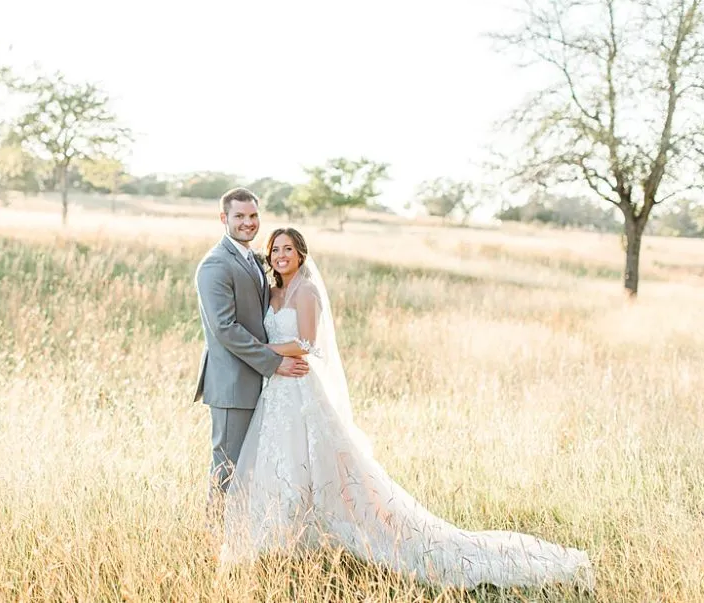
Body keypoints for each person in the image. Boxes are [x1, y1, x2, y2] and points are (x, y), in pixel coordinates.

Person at [220, 227, 596, 591]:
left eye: (288, 249)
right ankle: (285, 542)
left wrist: (264, 352)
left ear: (301, 253)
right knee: (280, 462)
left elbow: (306, 342)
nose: (281, 256)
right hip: (277, 392)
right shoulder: (273, 292)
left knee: (325, 463)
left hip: (301, 387)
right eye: (275, 250)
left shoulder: (307, 291)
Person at [194, 188, 309, 522]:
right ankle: (215, 536)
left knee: (250, 467)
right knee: (227, 467)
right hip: (232, 383)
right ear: (223, 219)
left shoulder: (252, 258)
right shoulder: (215, 265)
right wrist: (273, 363)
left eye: (253, 216)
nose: (248, 223)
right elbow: (225, 328)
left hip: (257, 381)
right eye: (239, 216)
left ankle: (245, 532)